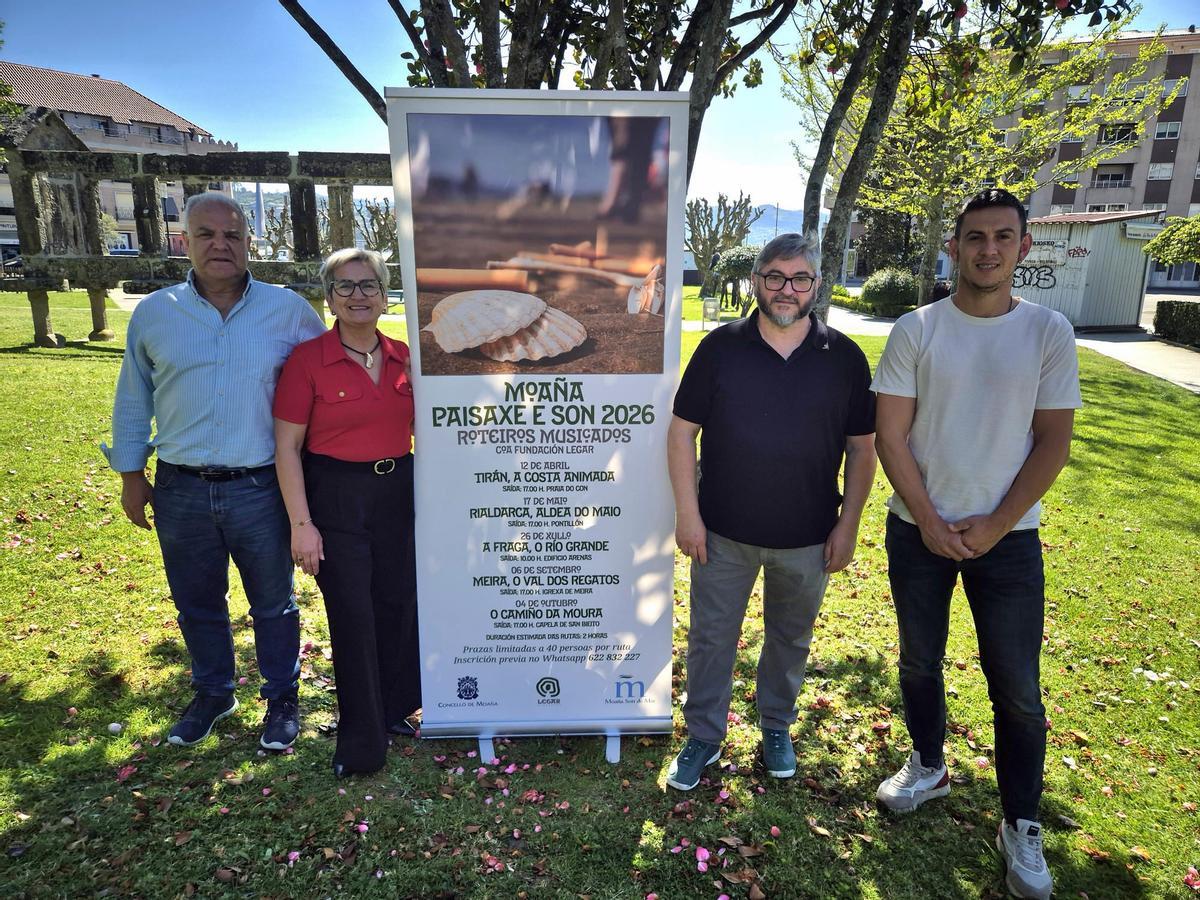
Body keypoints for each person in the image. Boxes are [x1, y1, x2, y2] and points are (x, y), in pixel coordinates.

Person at [871, 188, 1080, 900]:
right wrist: (927, 517)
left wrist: (993, 523)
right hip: (916, 530)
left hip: (1010, 540)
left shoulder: (1048, 332)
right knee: (919, 663)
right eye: (974, 237)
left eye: (1002, 237)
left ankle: (1020, 821)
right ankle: (928, 762)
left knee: (1018, 691)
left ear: (1023, 247)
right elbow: (891, 434)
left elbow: (1053, 443)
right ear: (954, 246)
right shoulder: (917, 328)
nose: (987, 249)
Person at [107, 192, 326, 749]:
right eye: (206, 234)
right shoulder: (156, 313)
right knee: (196, 600)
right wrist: (133, 474)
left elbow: (323, 390)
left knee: (273, 603)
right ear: (186, 240)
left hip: (260, 485)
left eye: (232, 235)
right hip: (180, 487)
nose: (220, 245)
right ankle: (214, 691)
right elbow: (134, 396)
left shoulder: (290, 311)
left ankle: (282, 698)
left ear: (249, 242)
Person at [666, 232, 877, 791]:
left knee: (790, 638)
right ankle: (704, 736)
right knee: (711, 638)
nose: (787, 289)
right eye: (776, 277)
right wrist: (688, 516)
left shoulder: (845, 359)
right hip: (723, 533)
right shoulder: (719, 349)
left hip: (808, 536)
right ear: (757, 281)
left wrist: (848, 525)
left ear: (815, 286)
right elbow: (682, 434)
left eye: (800, 278)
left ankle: (776, 725)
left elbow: (863, 448)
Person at [273, 248, 420, 778]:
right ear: (330, 297)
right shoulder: (308, 360)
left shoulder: (406, 356)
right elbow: (287, 448)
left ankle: (394, 709)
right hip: (335, 495)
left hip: (397, 491)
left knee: (398, 603)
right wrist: (301, 524)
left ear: (385, 294)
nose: (358, 295)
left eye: (368, 285)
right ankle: (361, 740)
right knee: (353, 614)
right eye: (344, 286)